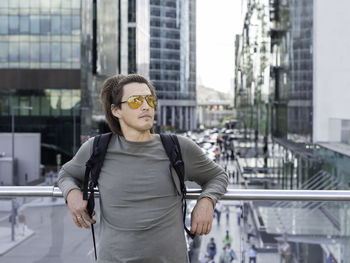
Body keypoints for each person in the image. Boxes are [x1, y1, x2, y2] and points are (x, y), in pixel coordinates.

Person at [58, 74, 228, 262]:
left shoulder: (179, 147)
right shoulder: (96, 149)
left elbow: (218, 176)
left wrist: (206, 201)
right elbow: (66, 174)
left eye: (150, 99)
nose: (146, 106)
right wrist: (72, 193)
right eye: (136, 101)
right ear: (116, 110)